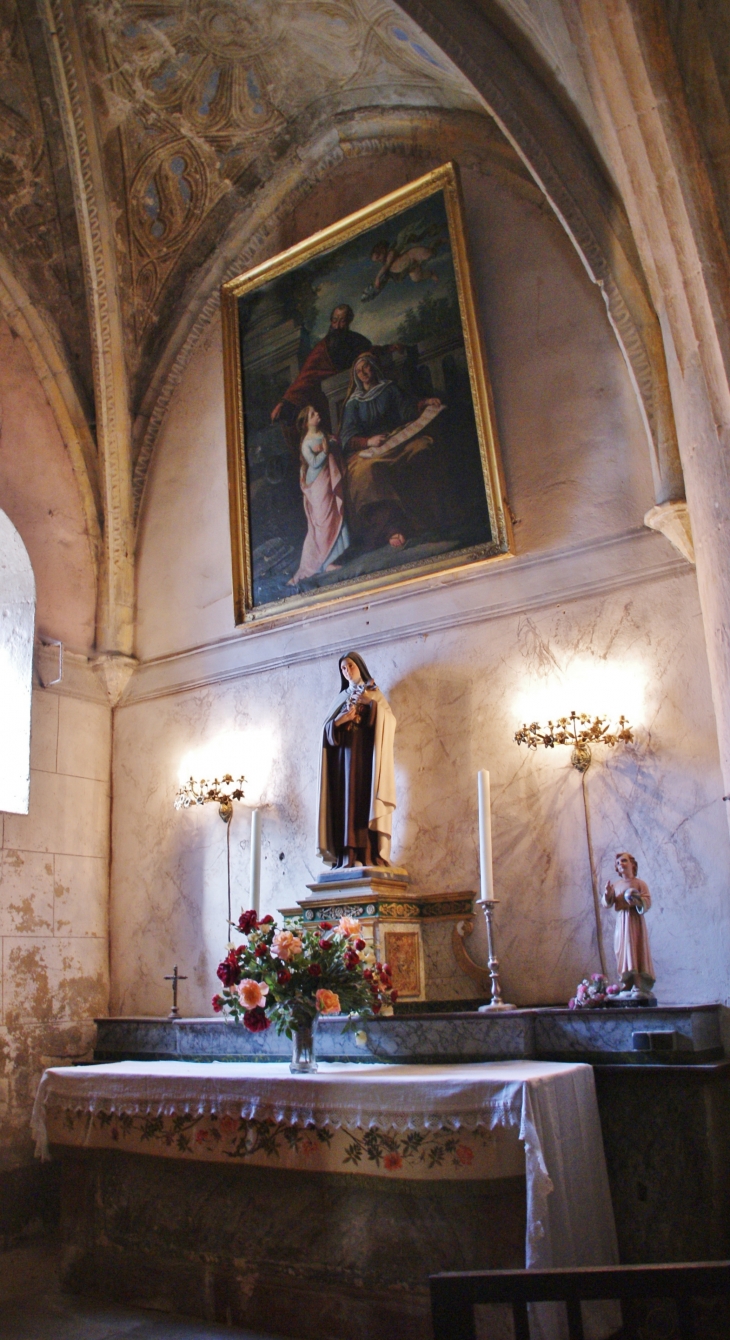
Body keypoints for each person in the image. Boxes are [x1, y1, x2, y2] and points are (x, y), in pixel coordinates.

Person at [338, 353, 443, 552]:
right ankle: (392, 528)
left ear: (374, 368)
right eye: (359, 371)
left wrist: (424, 403)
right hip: (370, 449)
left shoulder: (389, 389)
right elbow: (347, 437)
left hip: (398, 439)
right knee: (365, 472)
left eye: (366, 368)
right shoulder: (353, 403)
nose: (363, 373)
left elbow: (408, 410)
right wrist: (368, 441)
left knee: (422, 448)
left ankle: (428, 518)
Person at [317, 652, 396, 869]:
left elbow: (389, 721)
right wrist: (343, 719)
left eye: (350, 665)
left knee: (364, 801)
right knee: (345, 804)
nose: (347, 671)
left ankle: (368, 853)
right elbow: (326, 731)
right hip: (344, 761)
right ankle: (347, 855)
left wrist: (371, 705)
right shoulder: (341, 697)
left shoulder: (373, 692)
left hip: (365, 760)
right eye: (343, 668)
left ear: (359, 666)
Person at [271, 304, 376, 433]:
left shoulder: (358, 341)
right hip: (329, 403)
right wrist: (285, 402)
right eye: (334, 320)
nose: (337, 326)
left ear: (349, 321)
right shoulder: (322, 349)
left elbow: (371, 353)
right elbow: (305, 376)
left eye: (342, 321)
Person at [288, 406, 349, 585]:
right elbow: (313, 463)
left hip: (327, 478)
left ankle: (332, 559)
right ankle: (324, 563)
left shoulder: (321, 433)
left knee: (334, 516)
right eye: (313, 414)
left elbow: (329, 445)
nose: (317, 415)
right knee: (323, 521)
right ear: (306, 423)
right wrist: (325, 450)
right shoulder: (306, 442)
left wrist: (332, 443)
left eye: (316, 412)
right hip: (317, 484)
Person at [603, 852, 656, 996]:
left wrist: (638, 901)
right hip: (622, 921)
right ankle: (627, 982)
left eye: (624, 861)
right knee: (622, 950)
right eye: (618, 863)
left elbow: (647, 901)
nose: (621, 865)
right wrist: (607, 894)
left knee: (635, 950)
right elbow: (607, 904)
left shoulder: (640, 884)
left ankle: (638, 984)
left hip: (635, 921)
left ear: (633, 864)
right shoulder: (616, 885)